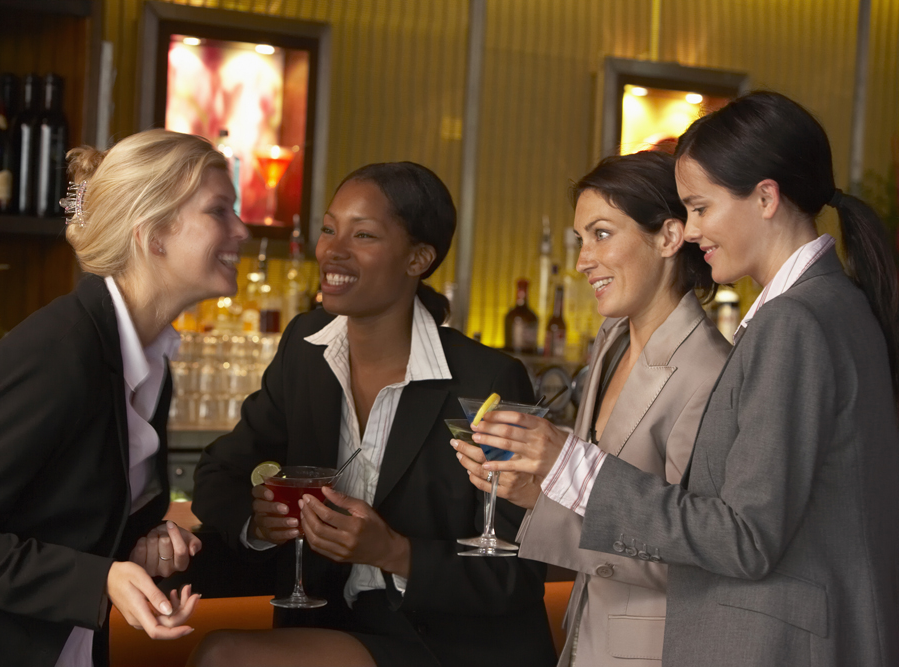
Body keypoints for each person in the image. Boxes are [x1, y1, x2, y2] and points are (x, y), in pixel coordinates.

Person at [469, 91, 899, 666]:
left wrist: (572, 466)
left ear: (765, 197)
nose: (691, 230)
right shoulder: (826, 306)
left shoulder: (795, 321)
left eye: (700, 208)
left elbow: (744, 537)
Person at [0, 128, 250, 667]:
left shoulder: (150, 360)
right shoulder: (57, 353)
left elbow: (67, 518)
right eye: (219, 211)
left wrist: (141, 543)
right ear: (153, 234)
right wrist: (101, 577)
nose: (241, 230)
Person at [189, 162, 557, 667]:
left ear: (417, 259)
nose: (332, 251)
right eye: (328, 229)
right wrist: (261, 521)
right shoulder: (305, 348)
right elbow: (219, 473)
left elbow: (515, 573)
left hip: (452, 644)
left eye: (363, 234)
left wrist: (394, 552)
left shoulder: (486, 380)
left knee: (224, 655)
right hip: (334, 625)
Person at [454, 150, 730, 666]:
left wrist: (556, 468)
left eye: (601, 234)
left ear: (670, 238)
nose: (582, 260)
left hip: (654, 649)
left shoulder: (710, 372)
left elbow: (691, 556)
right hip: (585, 637)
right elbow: (600, 499)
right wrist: (534, 493)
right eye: (581, 239)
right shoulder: (612, 341)